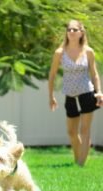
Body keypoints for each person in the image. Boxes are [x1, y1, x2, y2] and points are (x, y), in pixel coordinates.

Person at [48, 19, 102, 166]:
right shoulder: (59, 53)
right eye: (69, 30)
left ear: (81, 33)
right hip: (70, 95)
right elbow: (52, 75)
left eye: (74, 30)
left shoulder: (88, 52)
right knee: (72, 132)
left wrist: (99, 92)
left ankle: (80, 164)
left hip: (86, 93)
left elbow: (94, 74)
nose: (71, 32)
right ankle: (79, 157)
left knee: (85, 130)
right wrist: (51, 96)